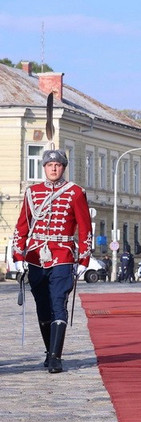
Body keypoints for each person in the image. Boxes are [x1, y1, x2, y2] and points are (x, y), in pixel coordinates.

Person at [12, 149, 93, 374]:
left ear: (63, 167)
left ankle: (56, 357)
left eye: (58, 165)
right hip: (36, 256)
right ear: (44, 168)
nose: (54, 168)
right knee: (43, 306)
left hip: (63, 254)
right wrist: (18, 256)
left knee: (59, 302)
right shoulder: (32, 192)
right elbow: (22, 226)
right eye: (50, 165)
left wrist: (84, 258)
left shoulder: (75, 192)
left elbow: (85, 227)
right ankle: (49, 352)